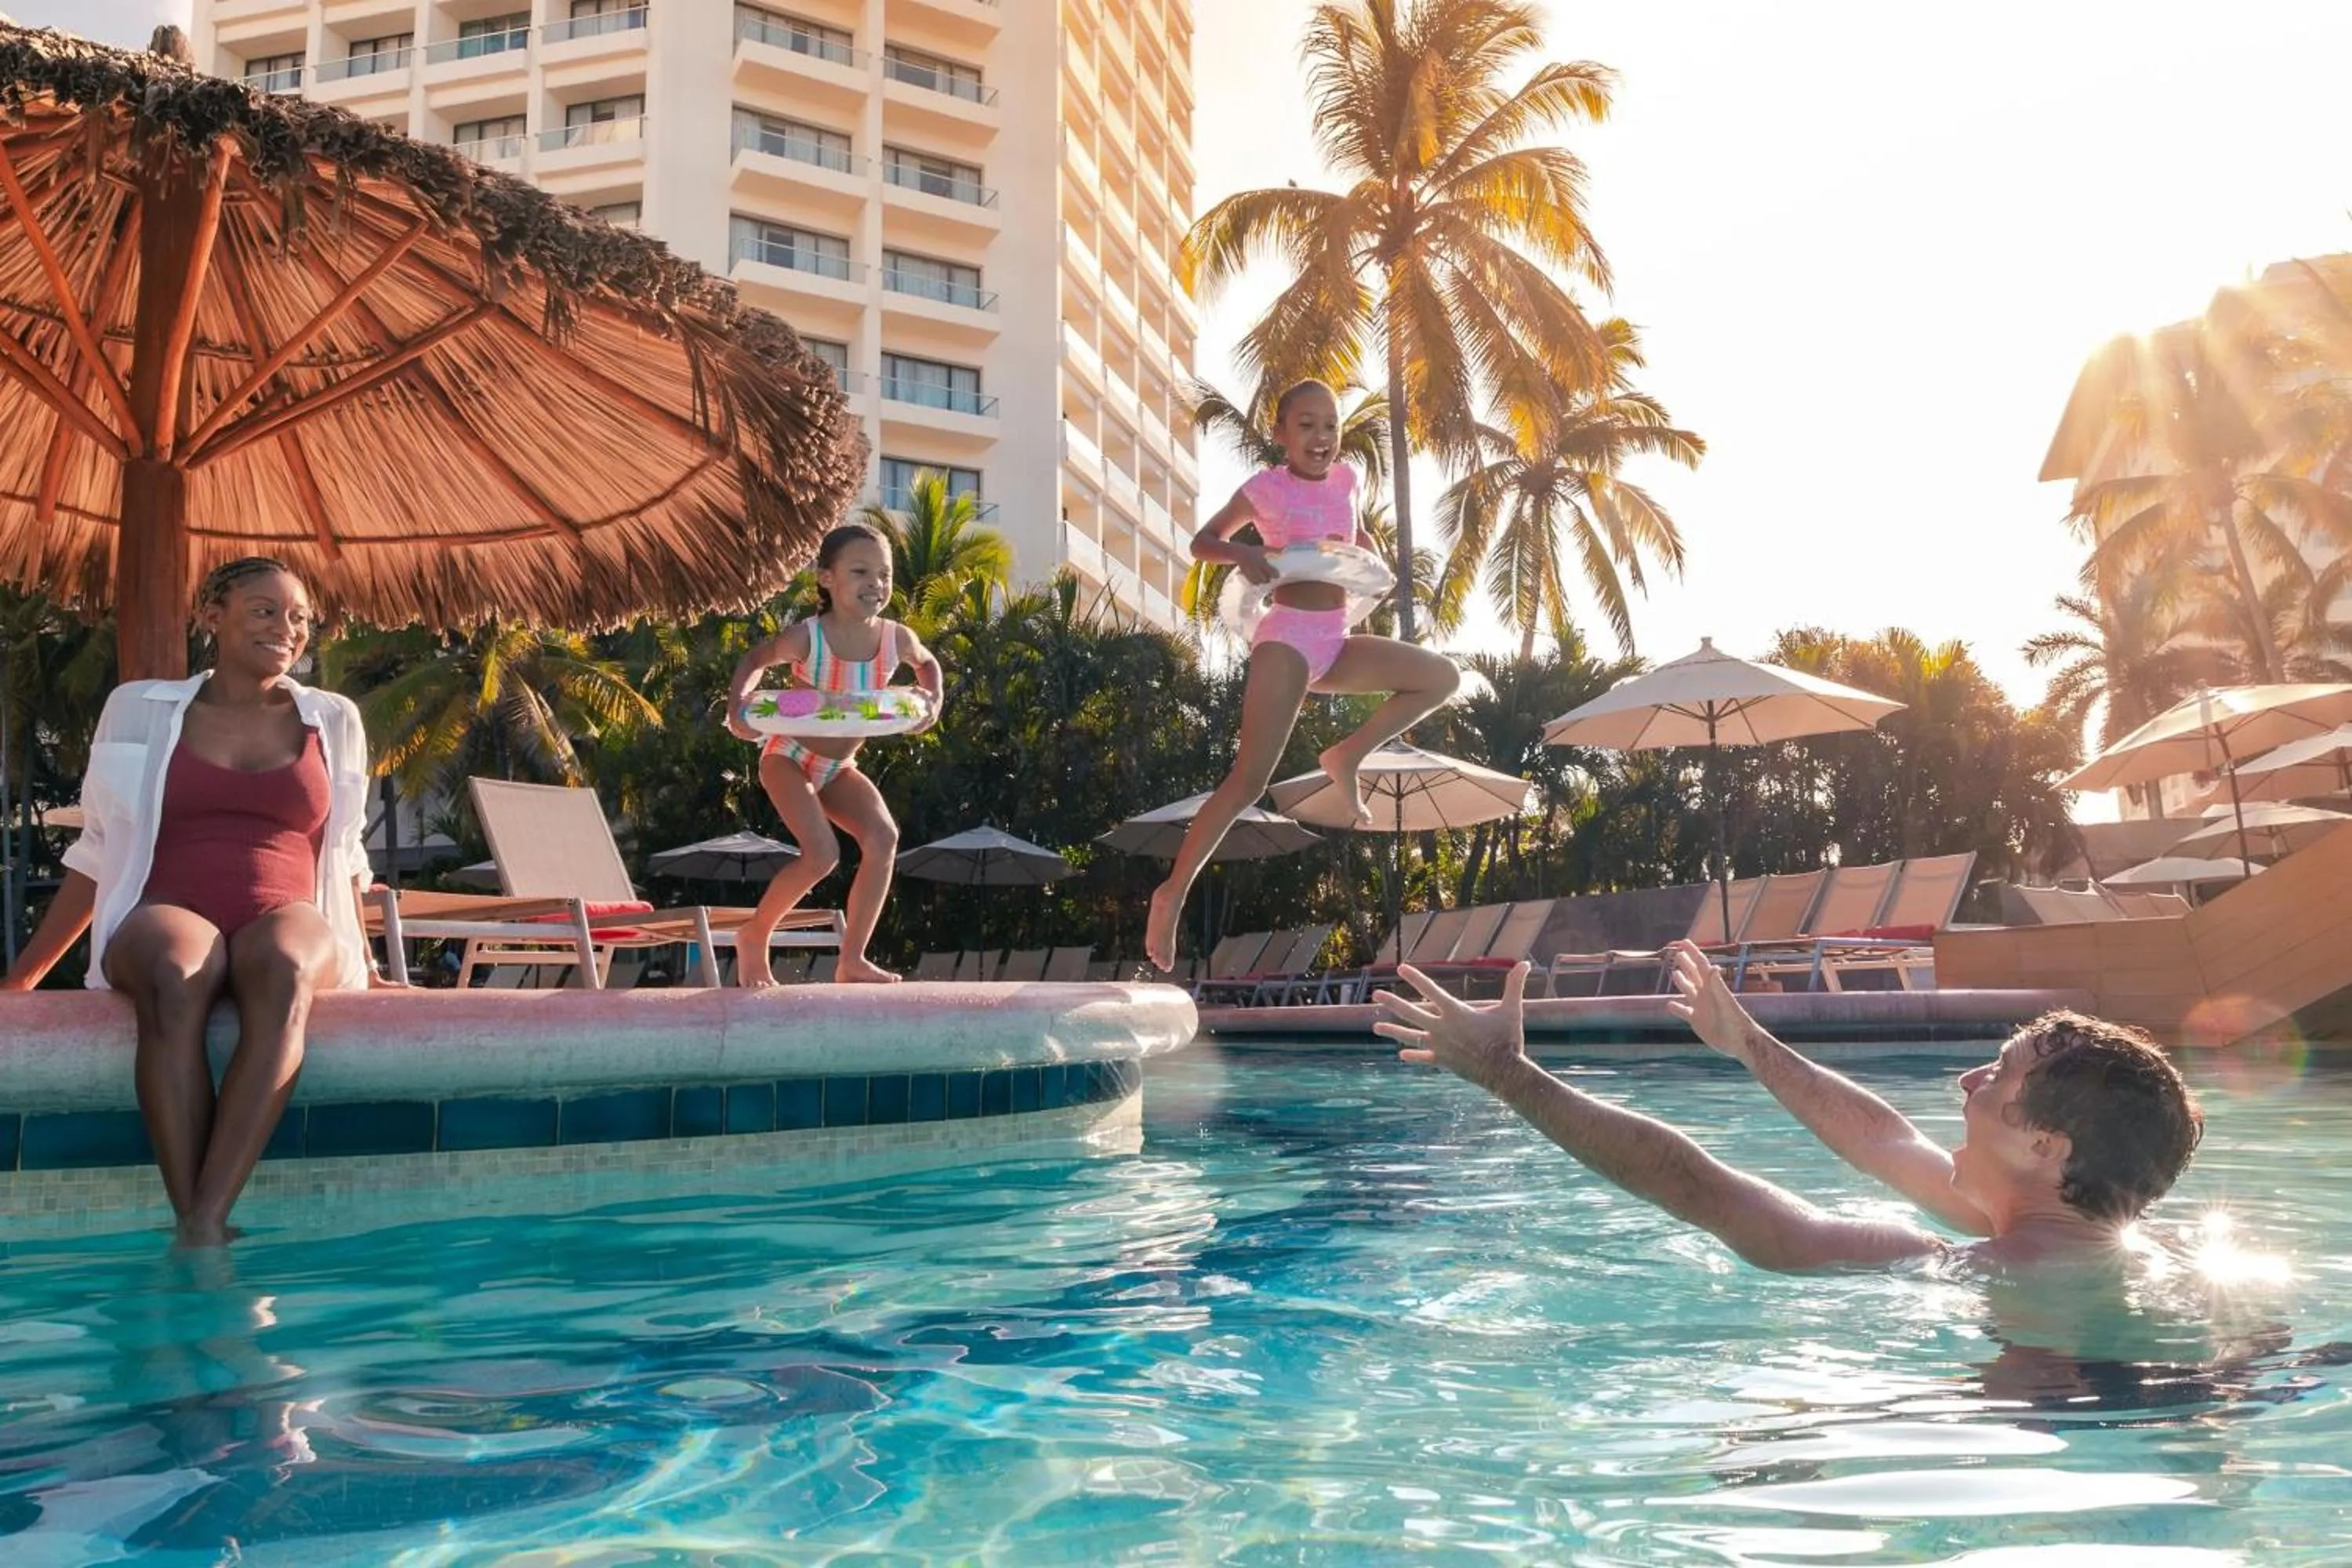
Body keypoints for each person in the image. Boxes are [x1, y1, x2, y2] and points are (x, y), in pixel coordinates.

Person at [1374, 941, 2205, 1272]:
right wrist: (1747, 1041)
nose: (1967, 1083)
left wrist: (1507, 1076)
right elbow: (1886, 1138)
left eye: (1999, 1074)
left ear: (2047, 1147)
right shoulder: (2150, 1253)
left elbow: (1710, 1193)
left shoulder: (1970, 1270)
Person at [1, 558, 389, 1247]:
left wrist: (370, 961)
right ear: (213, 614)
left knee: (285, 967)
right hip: (168, 904)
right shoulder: (139, 708)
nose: (286, 628)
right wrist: (24, 976)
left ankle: (206, 1217)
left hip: (287, 907)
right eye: (264, 609)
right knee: (179, 976)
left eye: (299, 617)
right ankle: (198, 1219)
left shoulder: (333, 720)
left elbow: (348, 854)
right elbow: (95, 851)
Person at [1144, 379, 1460, 971]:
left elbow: (1351, 534)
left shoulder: (1348, 479)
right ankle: (1173, 892)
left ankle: (1346, 756)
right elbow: (1202, 541)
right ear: (1281, 432)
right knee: (1247, 781)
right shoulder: (1265, 489)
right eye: (1307, 425)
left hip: (1334, 639)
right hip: (1285, 636)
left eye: (1330, 426)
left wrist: (1368, 557)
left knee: (1440, 677)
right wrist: (1242, 554)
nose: (1321, 437)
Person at [724, 521, 943, 986]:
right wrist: (738, 708)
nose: (876, 584)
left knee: (884, 837)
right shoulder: (810, 639)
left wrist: (934, 700)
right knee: (821, 854)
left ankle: (852, 960)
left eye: (884, 574)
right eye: (861, 572)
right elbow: (753, 661)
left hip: (839, 767)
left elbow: (926, 664)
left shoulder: (895, 639)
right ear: (826, 578)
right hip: (789, 755)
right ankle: (754, 934)